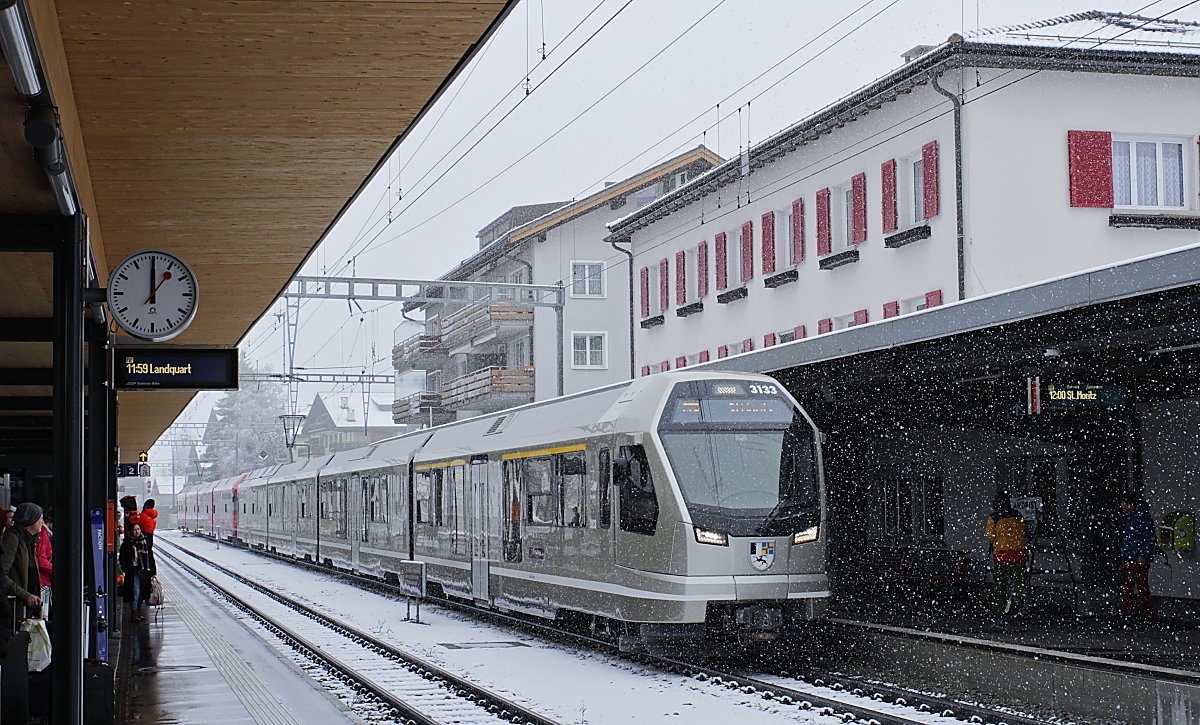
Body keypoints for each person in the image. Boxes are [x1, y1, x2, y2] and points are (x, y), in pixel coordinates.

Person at [985, 495, 1029, 622]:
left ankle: (998, 612)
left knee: (1000, 584)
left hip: (1002, 554)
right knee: (1020, 582)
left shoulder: (994, 517)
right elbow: (1023, 531)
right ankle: (1024, 607)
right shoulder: (1018, 515)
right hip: (1019, 554)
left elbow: (990, 536)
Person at [1, 502, 43, 620]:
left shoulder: (29, 541)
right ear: (31, 520)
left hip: (26, 606)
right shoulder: (12, 538)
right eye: (40, 518)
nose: (42, 522)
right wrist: (25, 595)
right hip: (14, 606)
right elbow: (3, 573)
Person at [1120, 495, 1156, 618]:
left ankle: (1144, 613)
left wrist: (1143, 555)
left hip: (1134, 558)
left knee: (1138, 587)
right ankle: (1137, 613)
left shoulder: (1139, 518)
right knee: (1133, 587)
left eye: (1124, 503)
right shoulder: (1135, 517)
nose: (1122, 506)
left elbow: (1148, 538)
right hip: (1131, 557)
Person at [119, 522, 156, 621]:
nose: (137, 532)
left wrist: (153, 571)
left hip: (145, 571)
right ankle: (134, 613)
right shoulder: (127, 543)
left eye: (138, 529)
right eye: (135, 530)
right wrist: (126, 569)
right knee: (136, 592)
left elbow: (150, 557)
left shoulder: (145, 541)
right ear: (131, 531)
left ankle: (138, 612)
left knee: (142, 593)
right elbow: (122, 558)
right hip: (133, 571)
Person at [35, 509, 52, 621]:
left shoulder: (43, 533)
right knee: (43, 616)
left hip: (42, 579)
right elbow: (40, 559)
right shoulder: (43, 533)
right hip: (42, 580)